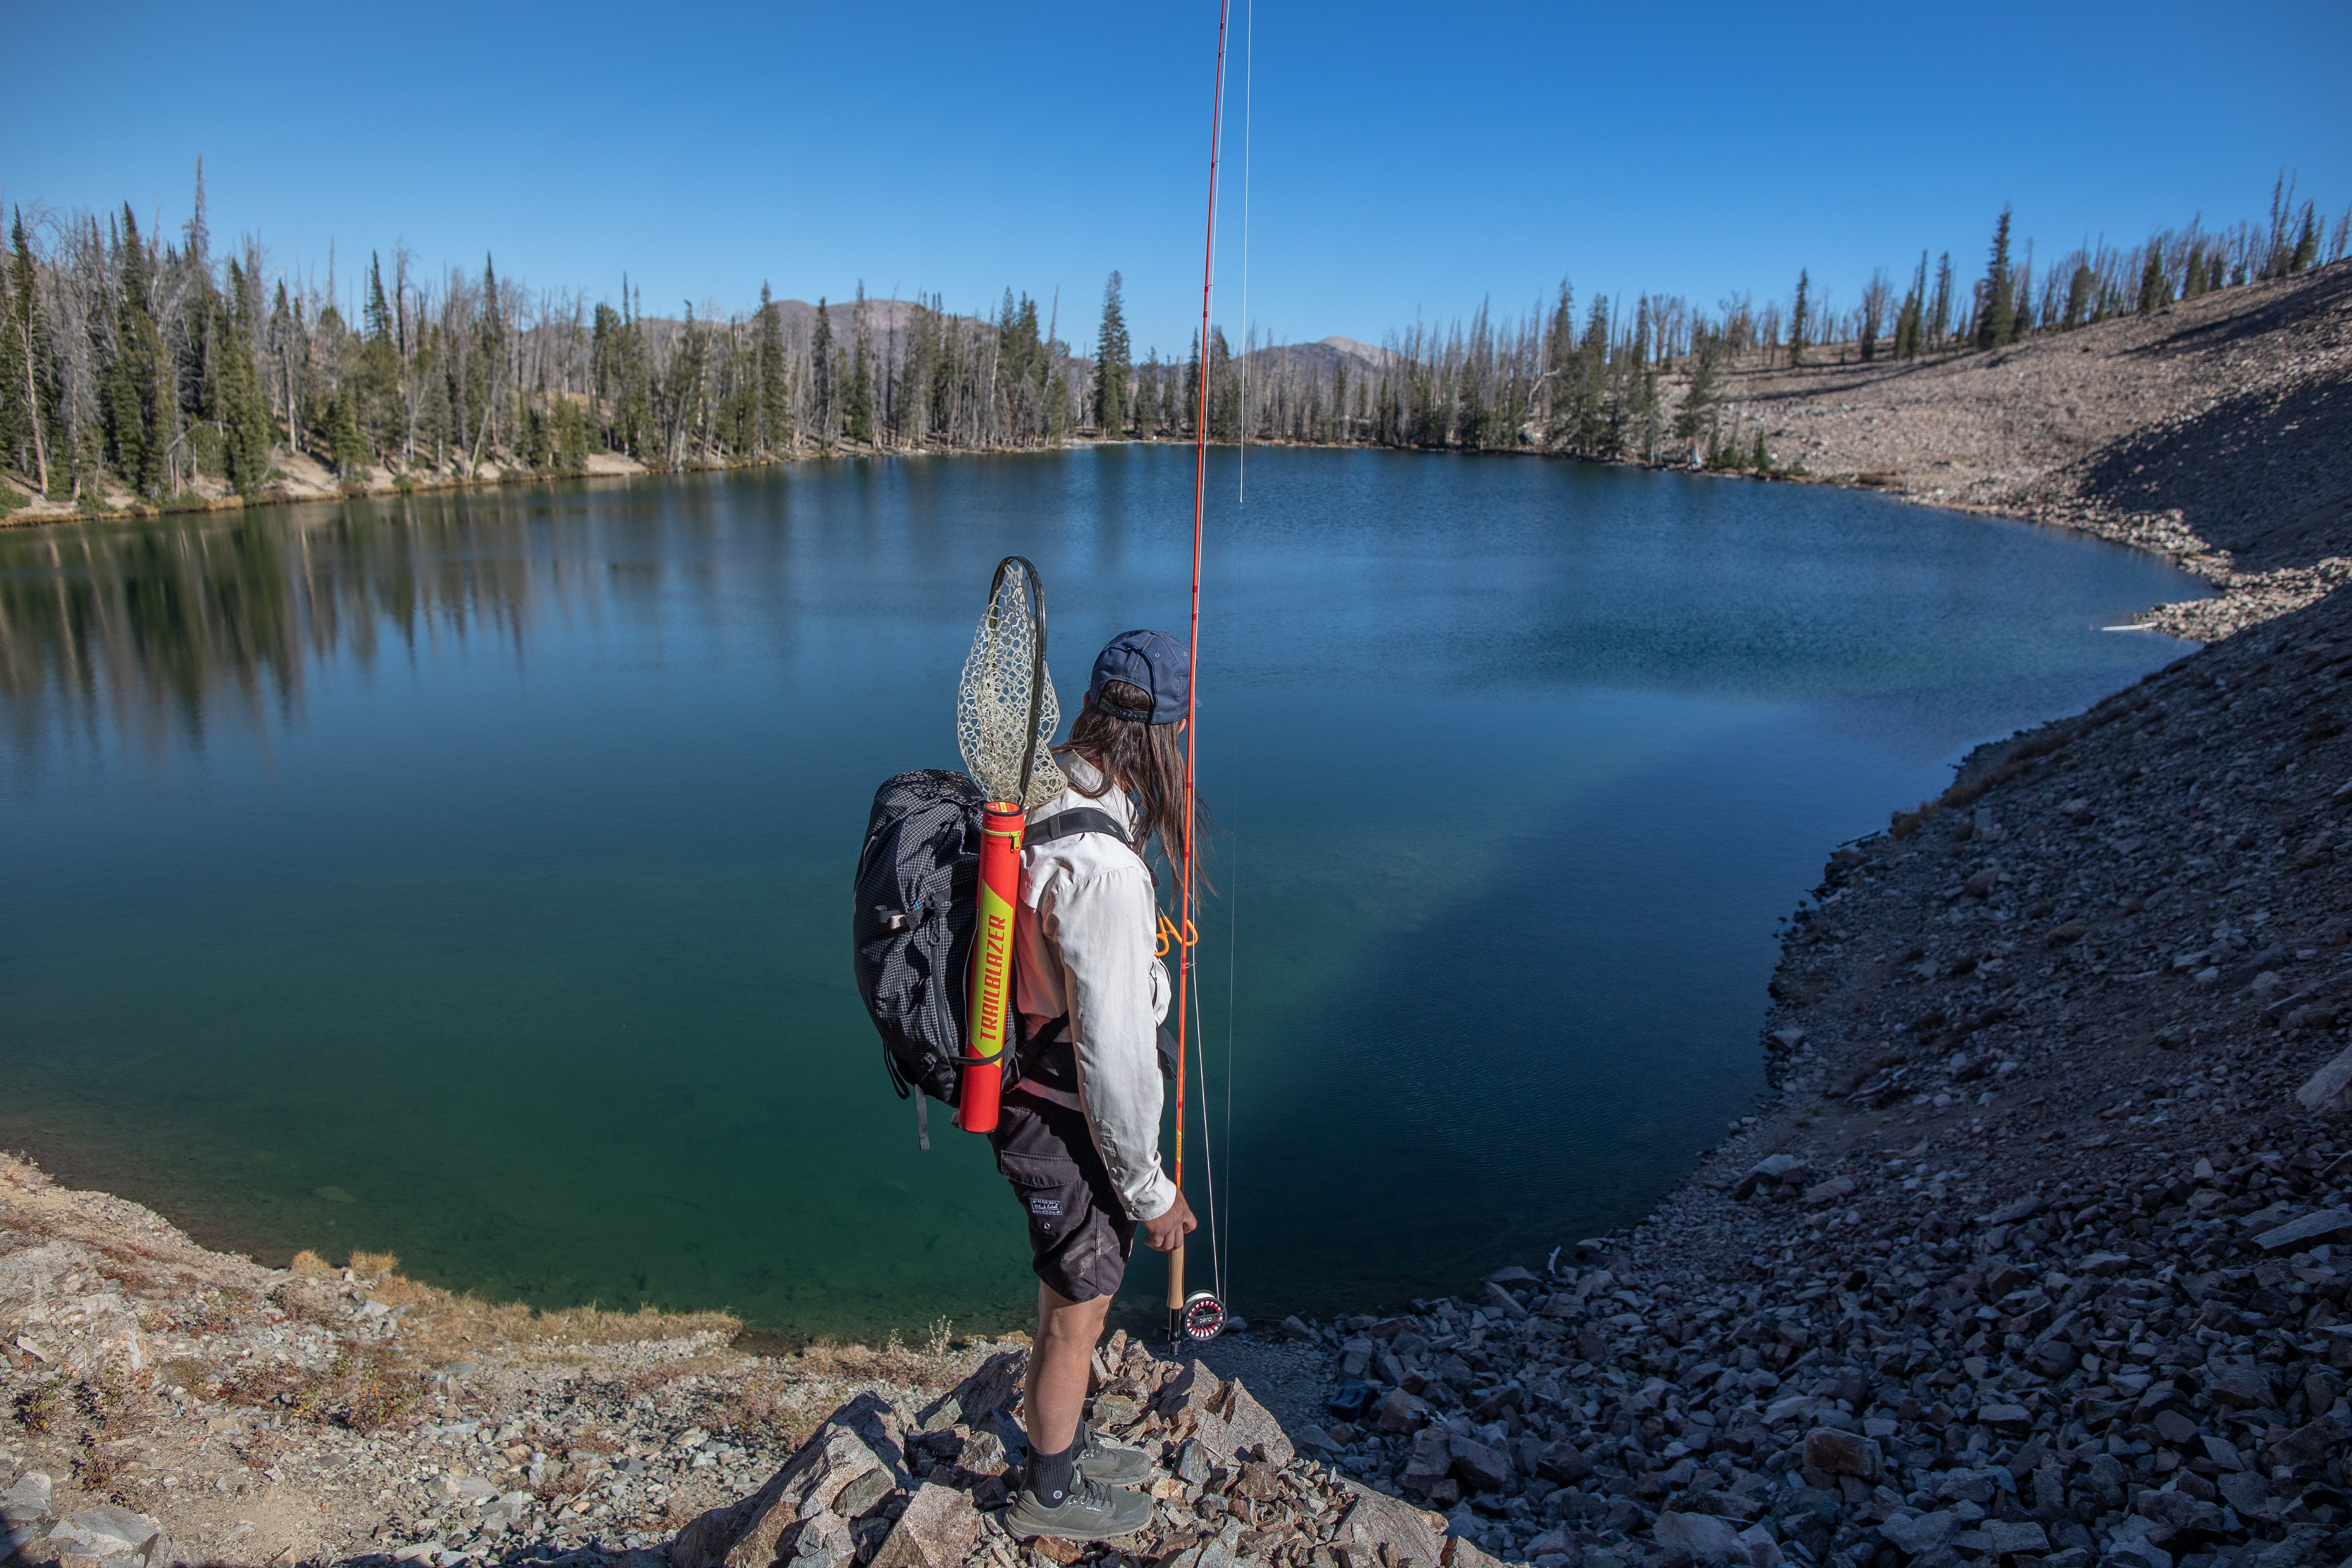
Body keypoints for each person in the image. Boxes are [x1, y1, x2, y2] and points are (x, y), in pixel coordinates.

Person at [995, 629, 1201, 1540]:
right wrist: (1152, 1192)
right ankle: (1047, 1494)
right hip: (1063, 1116)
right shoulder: (1111, 874)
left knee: (1062, 1302)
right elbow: (1115, 1058)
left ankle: (1062, 1445)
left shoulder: (1046, 779)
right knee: (1076, 1319)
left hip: (1025, 1085)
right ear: (1164, 736)